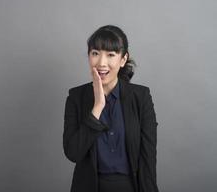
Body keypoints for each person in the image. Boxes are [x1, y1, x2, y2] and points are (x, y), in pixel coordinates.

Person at [63, 25, 159, 192]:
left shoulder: (141, 97)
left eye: (110, 55)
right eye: (95, 53)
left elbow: (148, 159)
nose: (102, 63)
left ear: (123, 59)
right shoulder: (76, 97)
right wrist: (97, 107)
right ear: (88, 56)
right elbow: (73, 153)